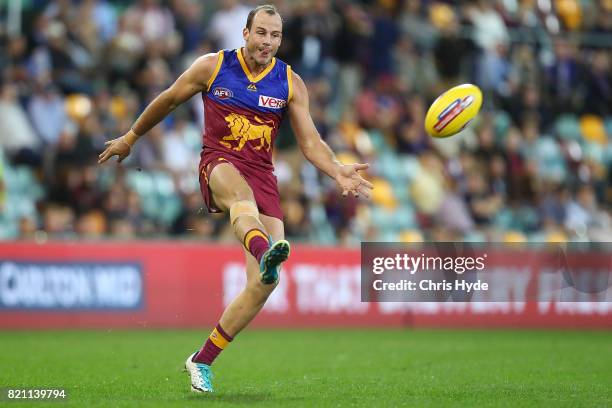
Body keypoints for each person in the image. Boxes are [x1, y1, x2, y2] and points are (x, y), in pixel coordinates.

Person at [98, 4, 373, 393]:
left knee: (264, 285)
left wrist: (337, 169)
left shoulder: (291, 83)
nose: (267, 42)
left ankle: (201, 360)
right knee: (245, 208)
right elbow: (169, 99)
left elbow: (311, 143)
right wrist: (130, 137)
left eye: (275, 35)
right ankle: (265, 252)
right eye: (261, 33)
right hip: (220, 162)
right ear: (245, 33)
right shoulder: (212, 66)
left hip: (263, 174)